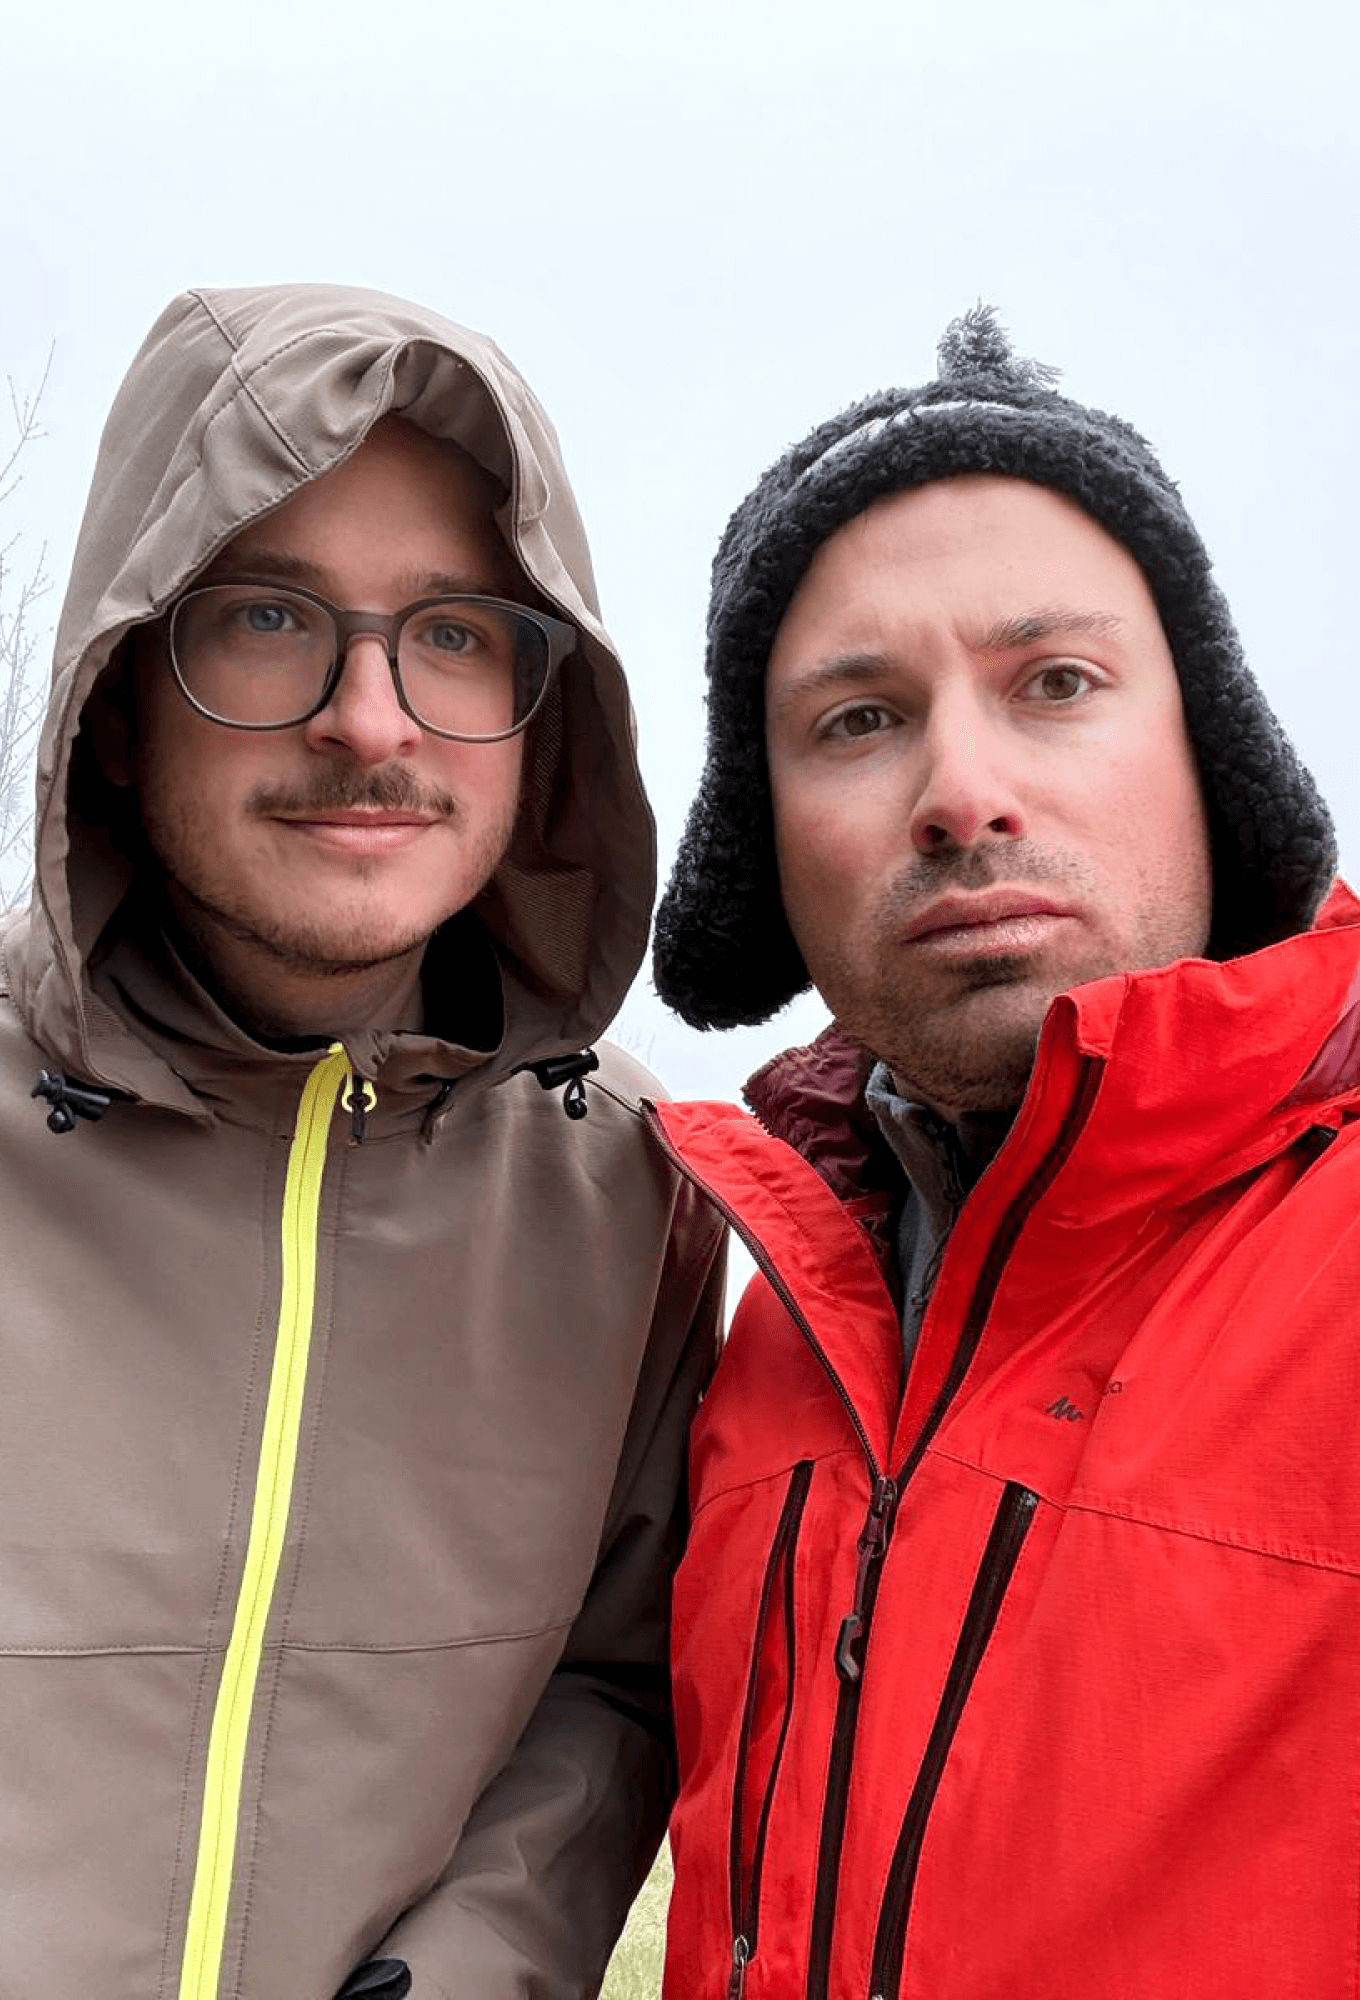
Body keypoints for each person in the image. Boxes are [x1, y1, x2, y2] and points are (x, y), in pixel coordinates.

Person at [0, 283, 724, 2000]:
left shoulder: (629, 1196)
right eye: (269, 616)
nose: (372, 721)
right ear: (118, 687)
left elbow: (616, 1686)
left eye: (456, 633)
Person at [648, 307, 1357, 2000]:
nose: (962, 791)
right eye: (857, 720)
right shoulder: (765, 1321)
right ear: (765, 849)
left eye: (1056, 683)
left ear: (1213, 759)